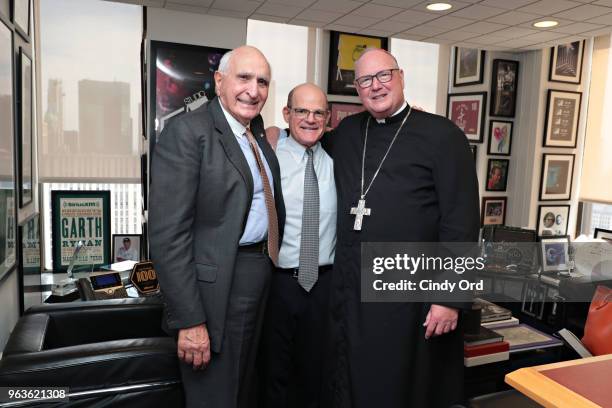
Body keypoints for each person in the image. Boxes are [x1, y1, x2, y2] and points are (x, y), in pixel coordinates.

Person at [322, 48, 480, 408]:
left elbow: (463, 222)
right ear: (356, 88)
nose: (375, 86)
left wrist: (449, 298)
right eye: (365, 80)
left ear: (401, 76)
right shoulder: (347, 133)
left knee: (401, 388)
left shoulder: (443, 136)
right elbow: (309, 140)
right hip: (352, 294)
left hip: (411, 300)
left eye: (384, 75)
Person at [149, 45, 285, 408]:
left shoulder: (254, 133)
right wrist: (190, 320)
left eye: (263, 82)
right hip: (215, 291)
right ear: (219, 81)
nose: (253, 90)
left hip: (258, 275)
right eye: (244, 78)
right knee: (216, 396)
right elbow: (168, 236)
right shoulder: (188, 132)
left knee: (241, 390)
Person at [260, 83, 336, 408]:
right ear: (287, 114)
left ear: (328, 118)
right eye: (302, 111)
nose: (310, 119)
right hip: (278, 284)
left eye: (318, 112)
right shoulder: (268, 156)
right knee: (273, 375)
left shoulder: (338, 161)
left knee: (317, 376)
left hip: (324, 286)